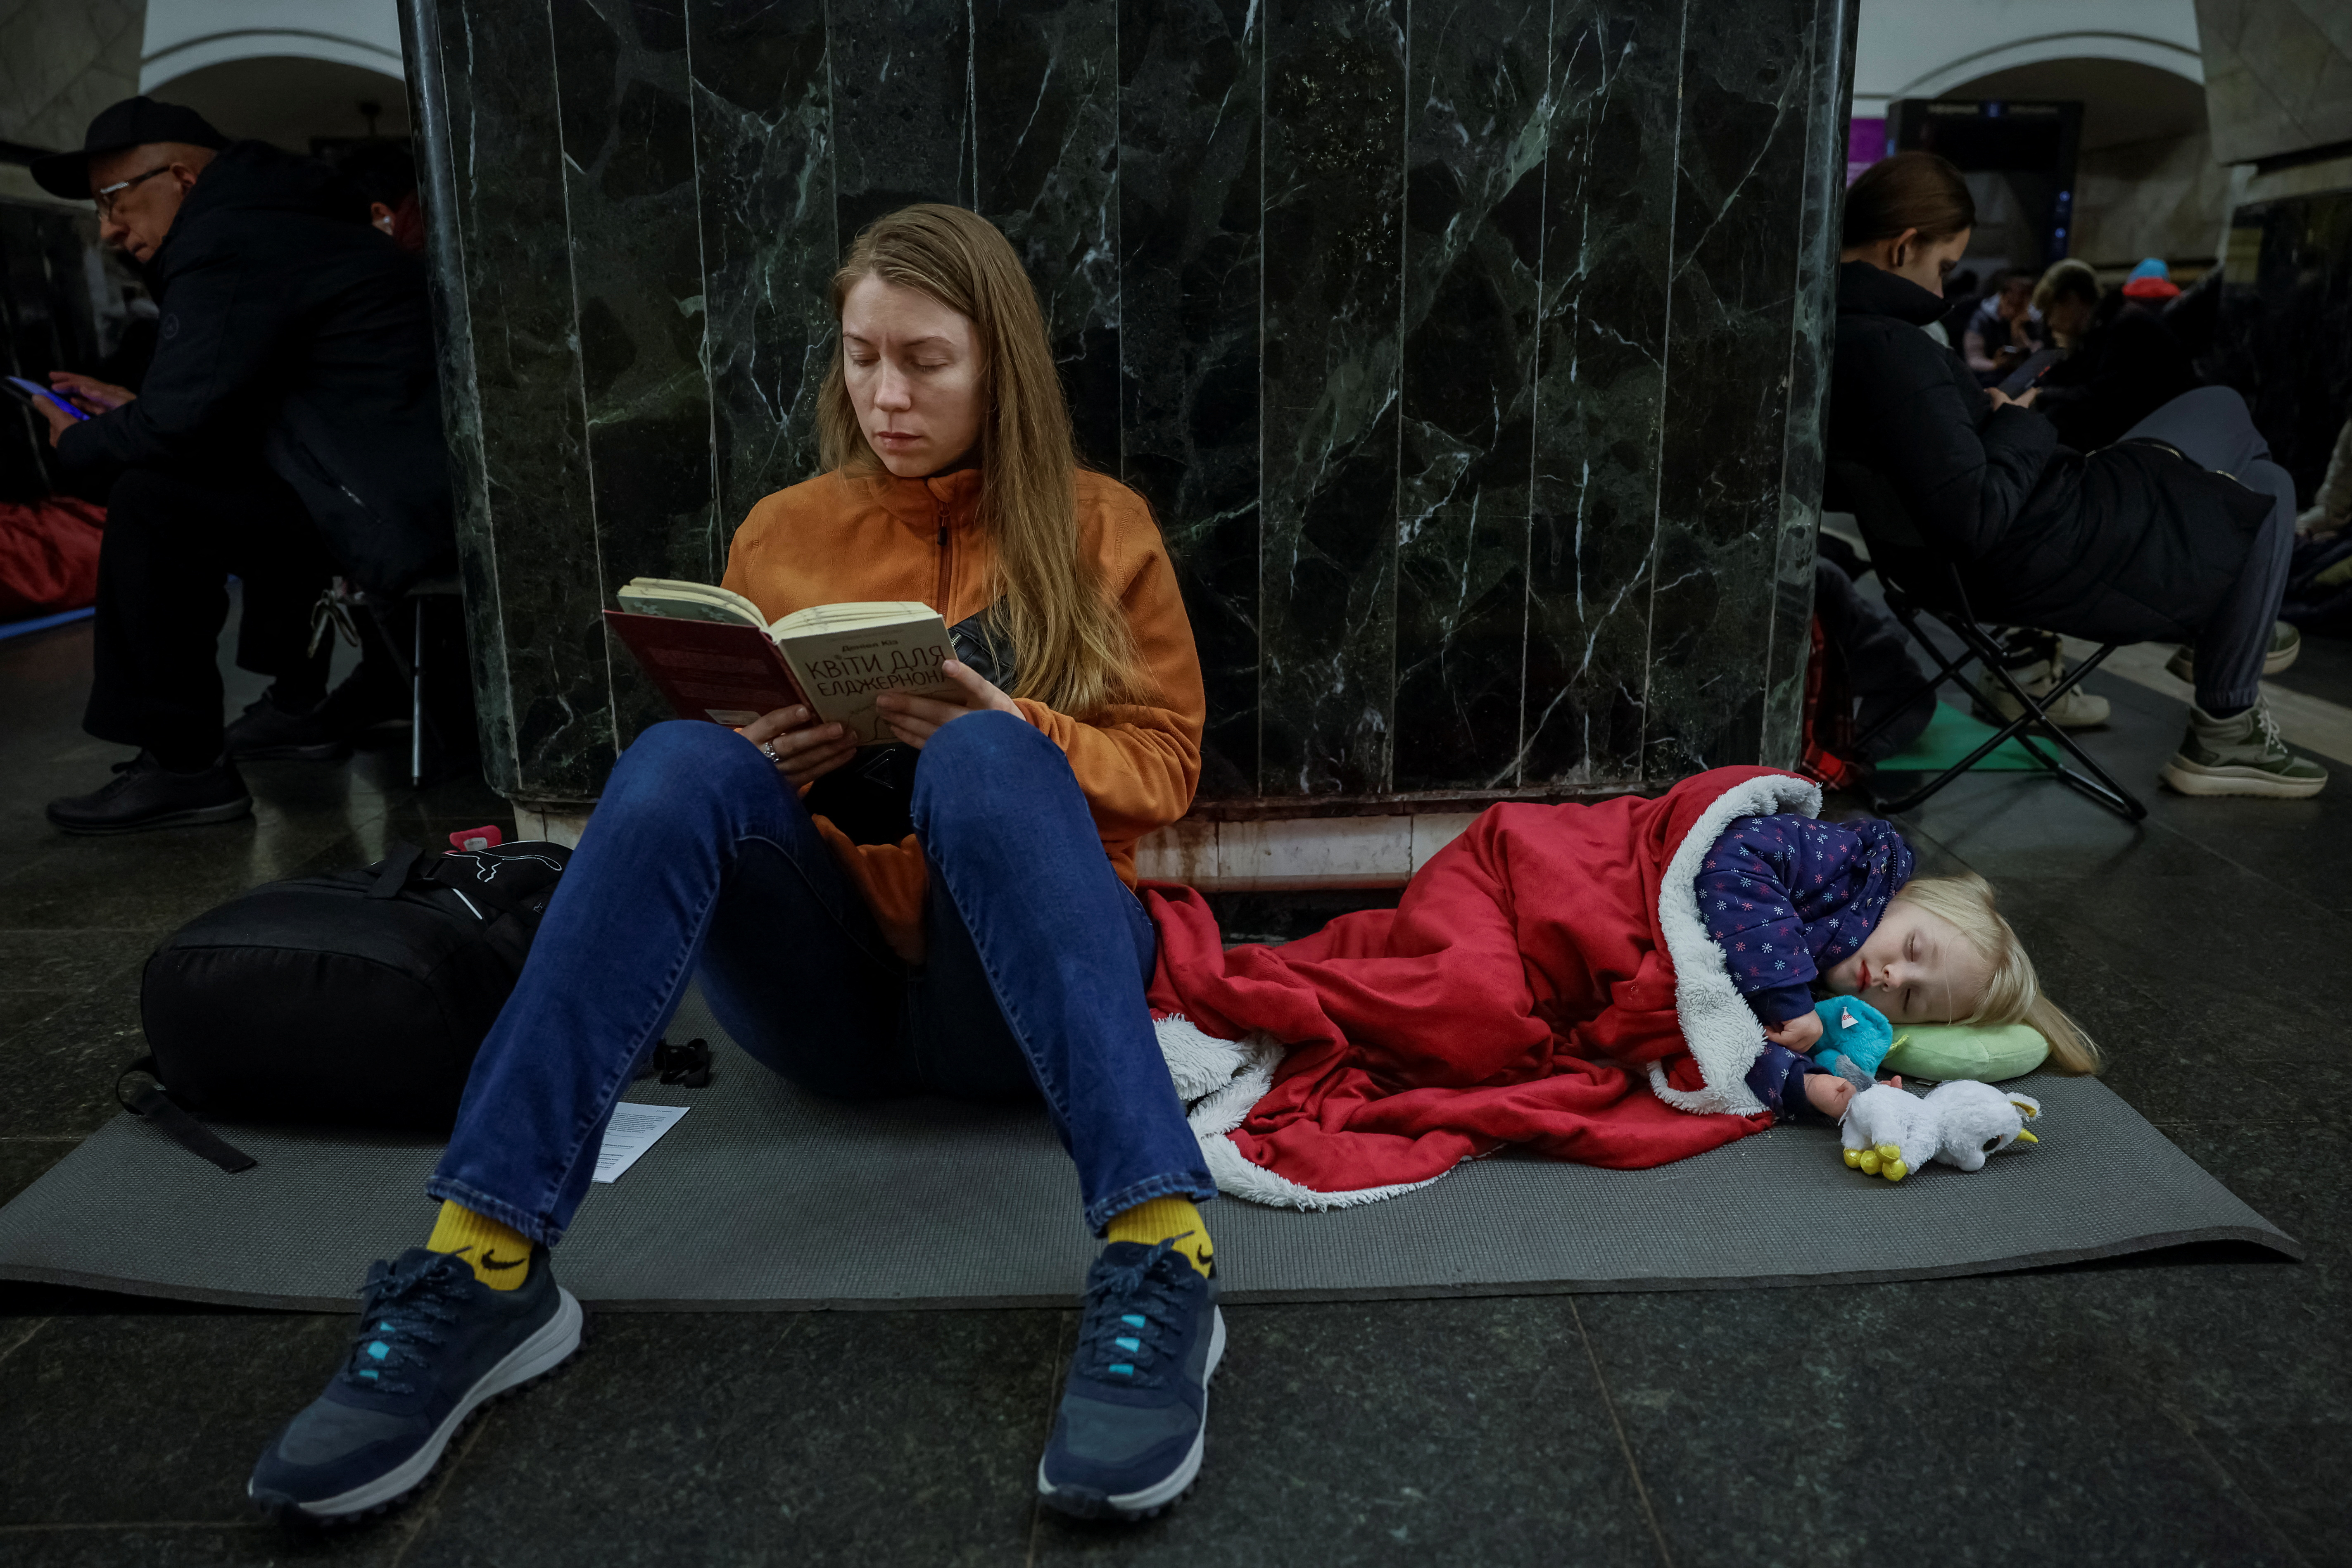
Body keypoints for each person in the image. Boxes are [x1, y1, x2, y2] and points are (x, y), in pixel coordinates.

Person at [246, 205, 1225, 1528]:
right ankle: (481, 1262)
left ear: (1001, 362)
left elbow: (1164, 768)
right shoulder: (783, 531)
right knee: (677, 766)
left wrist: (1015, 726)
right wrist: (777, 753)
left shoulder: (1099, 526)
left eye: (925, 360)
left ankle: (1160, 1254)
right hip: (828, 1000)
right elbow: (733, 761)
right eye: (860, 355)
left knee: (985, 767)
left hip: (1017, 998)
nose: (885, 394)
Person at [1831, 152, 2323, 800]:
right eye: (1943, 267)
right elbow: (1971, 517)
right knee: (2232, 423)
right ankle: (2227, 699)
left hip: (1993, 552)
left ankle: (2229, 697)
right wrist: (2014, 421)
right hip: (2048, 541)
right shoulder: (1893, 347)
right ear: (1903, 246)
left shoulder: (1834, 333)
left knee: (2268, 482)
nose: (1944, 291)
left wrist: (1985, 417)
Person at [29, 97, 454, 833]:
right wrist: (140, 404)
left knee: (154, 500)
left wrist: (75, 443)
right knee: (217, 482)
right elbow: (242, 398)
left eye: (114, 200)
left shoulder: (225, 236)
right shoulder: (285, 221)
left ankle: (183, 764)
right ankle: (296, 707)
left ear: (183, 180)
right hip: (402, 490)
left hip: (390, 510)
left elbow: (178, 423)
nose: (109, 228)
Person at [1701, 813, 2096, 1125]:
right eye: (1913, 948)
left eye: (1910, 999)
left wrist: (1809, 1085)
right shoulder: (1842, 861)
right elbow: (1732, 857)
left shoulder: (1831, 1009)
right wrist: (1785, 996)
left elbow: (1728, 1041)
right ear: (1903, 893)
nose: (1896, 979)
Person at [2029, 258, 2200, 454]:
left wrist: (2041, 395)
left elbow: (2100, 398)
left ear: (2071, 299)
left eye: (2050, 312)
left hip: (2161, 436)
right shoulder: (2104, 325)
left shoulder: (2126, 326)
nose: (2049, 323)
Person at [1961, 266, 2044, 384]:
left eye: (2020, 305)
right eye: (2010, 303)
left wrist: (2017, 328)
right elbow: (1974, 359)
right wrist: (1996, 364)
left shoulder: (2034, 319)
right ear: (2001, 296)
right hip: (1989, 377)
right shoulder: (1982, 318)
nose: (2013, 310)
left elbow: (2037, 358)